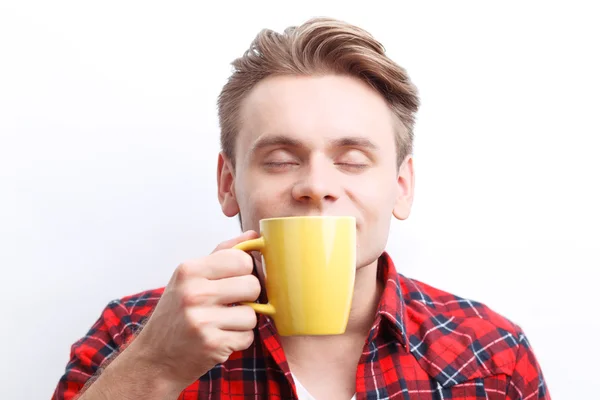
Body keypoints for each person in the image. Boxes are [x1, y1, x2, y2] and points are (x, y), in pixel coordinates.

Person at [52, 17, 550, 400]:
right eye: (281, 160)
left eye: (352, 161)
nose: (316, 185)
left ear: (401, 187)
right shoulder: (131, 333)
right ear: (228, 184)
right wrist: (154, 367)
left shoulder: (490, 354)